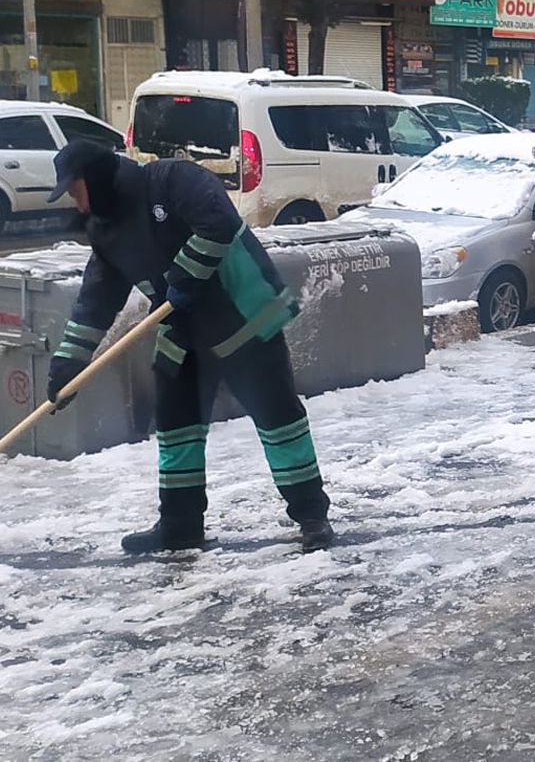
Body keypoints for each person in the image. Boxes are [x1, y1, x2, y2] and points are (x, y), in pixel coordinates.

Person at [44, 140, 335, 554]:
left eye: (75, 191)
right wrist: (67, 364)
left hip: (243, 316)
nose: (77, 205)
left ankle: (311, 516)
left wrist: (181, 277)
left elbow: (217, 222)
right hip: (183, 330)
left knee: (277, 417)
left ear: (94, 177)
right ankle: (180, 525)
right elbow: (96, 299)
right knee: (176, 423)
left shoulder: (173, 180)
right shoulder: (105, 231)